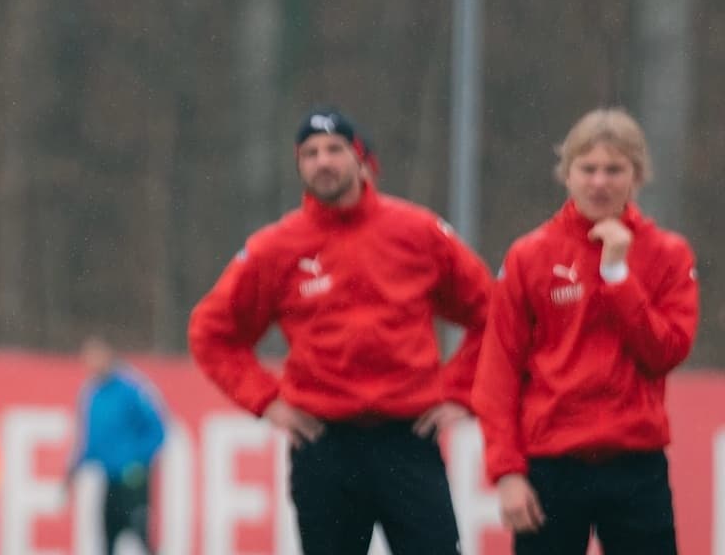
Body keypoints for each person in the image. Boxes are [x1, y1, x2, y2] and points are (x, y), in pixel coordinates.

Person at [188, 107, 491, 555]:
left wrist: (462, 392)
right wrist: (266, 401)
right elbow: (211, 332)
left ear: (361, 159)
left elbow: (494, 314)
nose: (322, 162)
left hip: (406, 440)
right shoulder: (277, 247)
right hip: (323, 444)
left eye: (334, 150)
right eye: (309, 153)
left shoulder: (417, 232)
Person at [472, 108, 697, 555]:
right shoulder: (530, 255)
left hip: (636, 465)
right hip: (551, 467)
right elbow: (498, 371)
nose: (599, 182)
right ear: (567, 175)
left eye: (614, 169)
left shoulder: (666, 254)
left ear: (636, 176)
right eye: (588, 168)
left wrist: (617, 274)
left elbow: (665, 352)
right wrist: (508, 473)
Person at [66, 337, 165, 555]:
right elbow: (91, 440)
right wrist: (73, 470)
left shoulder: (131, 389)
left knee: (141, 535)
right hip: (110, 478)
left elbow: (157, 430)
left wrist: (140, 460)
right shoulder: (92, 394)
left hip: (132, 479)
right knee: (108, 537)